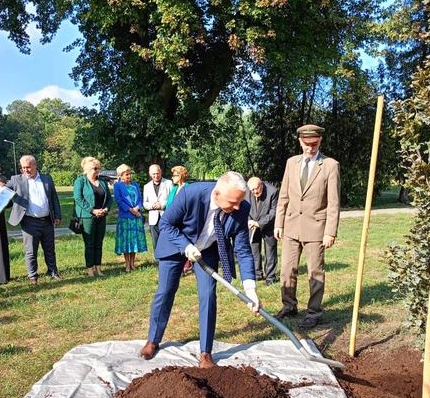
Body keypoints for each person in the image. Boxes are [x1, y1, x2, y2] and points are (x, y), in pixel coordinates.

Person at [139, 172, 261, 368]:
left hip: (208, 249)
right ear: (217, 193)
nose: (237, 207)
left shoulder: (241, 208)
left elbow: (244, 250)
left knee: (208, 295)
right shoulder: (191, 194)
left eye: (240, 201)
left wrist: (251, 290)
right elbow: (166, 224)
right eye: (232, 202)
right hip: (175, 244)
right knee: (166, 291)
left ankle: (206, 352)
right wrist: (186, 246)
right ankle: (153, 340)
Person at [274, 124, 340, 330]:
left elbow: (333, 203)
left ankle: (314, 312)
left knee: (315, 273)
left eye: (314, 143)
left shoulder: (330, 165)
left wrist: (330, 231)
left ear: (320, 141)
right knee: (286, 270)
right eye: (306, 144)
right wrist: (279, 223)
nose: (310, 148)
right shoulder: (291, 163)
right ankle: (289, 305)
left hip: (316, 230)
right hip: (291, 226)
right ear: (300, 141)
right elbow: (283, 196)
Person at [6, 155, 62, 284]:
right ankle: (32, 276)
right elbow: (4, 189)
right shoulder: (16, 180)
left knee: (50, 249)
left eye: (28, 167)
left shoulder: (47, 179)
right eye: (23, 167)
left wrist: (57, 215)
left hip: (47, 220)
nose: (25, 170)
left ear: (35, 166)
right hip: (29, 221)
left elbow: (54, 198)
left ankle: (53, 271)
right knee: (31, 251)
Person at [73, 156, 112, 277]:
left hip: (102, 216)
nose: (97, 171)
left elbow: (109, 198)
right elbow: (78, 198)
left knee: (99, 243)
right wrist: (92, 210)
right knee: (90, 243)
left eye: (98, 168)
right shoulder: (80, 181)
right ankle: (90, 269)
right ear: (87, 169)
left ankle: (98, 268)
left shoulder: (102, 182)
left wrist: (106, 209)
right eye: (95, 168)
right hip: (87, 217)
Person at [113, 164, 147, 272]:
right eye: (126, 174)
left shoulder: (135, 185)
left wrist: (138, 208)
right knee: (126, 241)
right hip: (125, 217)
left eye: (129, 174)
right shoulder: (118, 186)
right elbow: (118, 200)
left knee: (134, 240)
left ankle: (132, 263)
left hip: (136, 218)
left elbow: (140, 199)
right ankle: (127, 264)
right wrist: (131, 210)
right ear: (121, 175)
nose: (129, 176)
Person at [245, 176, 278, 285]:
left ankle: (270, 277)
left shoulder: (273, 192)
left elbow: (274, 213)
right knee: (254, 250)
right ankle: (257, 274)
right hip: (252, 225)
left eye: (256, 188)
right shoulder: (247, 192)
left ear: (261, 185)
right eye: (252, 190)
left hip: (268, 226)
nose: (254, 192)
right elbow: (245, 208)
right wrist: (249, 221)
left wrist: (259, 223)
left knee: (270, 251)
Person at [166, 165, 192, 275]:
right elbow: (168, 204)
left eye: (174, 175)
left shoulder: (188, 188)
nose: (172, 177)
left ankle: (187, 265)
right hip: (174, 221)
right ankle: (178, 267)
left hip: (184, 221)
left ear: (180, 176)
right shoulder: (174, 189)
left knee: (185, 242)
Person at [142, 164, 172, 253]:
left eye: (157, 173)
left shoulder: (168, 183)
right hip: (153, 218)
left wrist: (162, 205)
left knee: (167, 239)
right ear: (150, 174)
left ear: (161, 172)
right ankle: (158, 260)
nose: (156, 176)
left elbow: (172, 199)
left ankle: (168, 258)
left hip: (166, 216)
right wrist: (152, 206)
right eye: (153, 174)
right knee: (155, 241)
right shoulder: (146, 186)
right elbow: (145, 203)